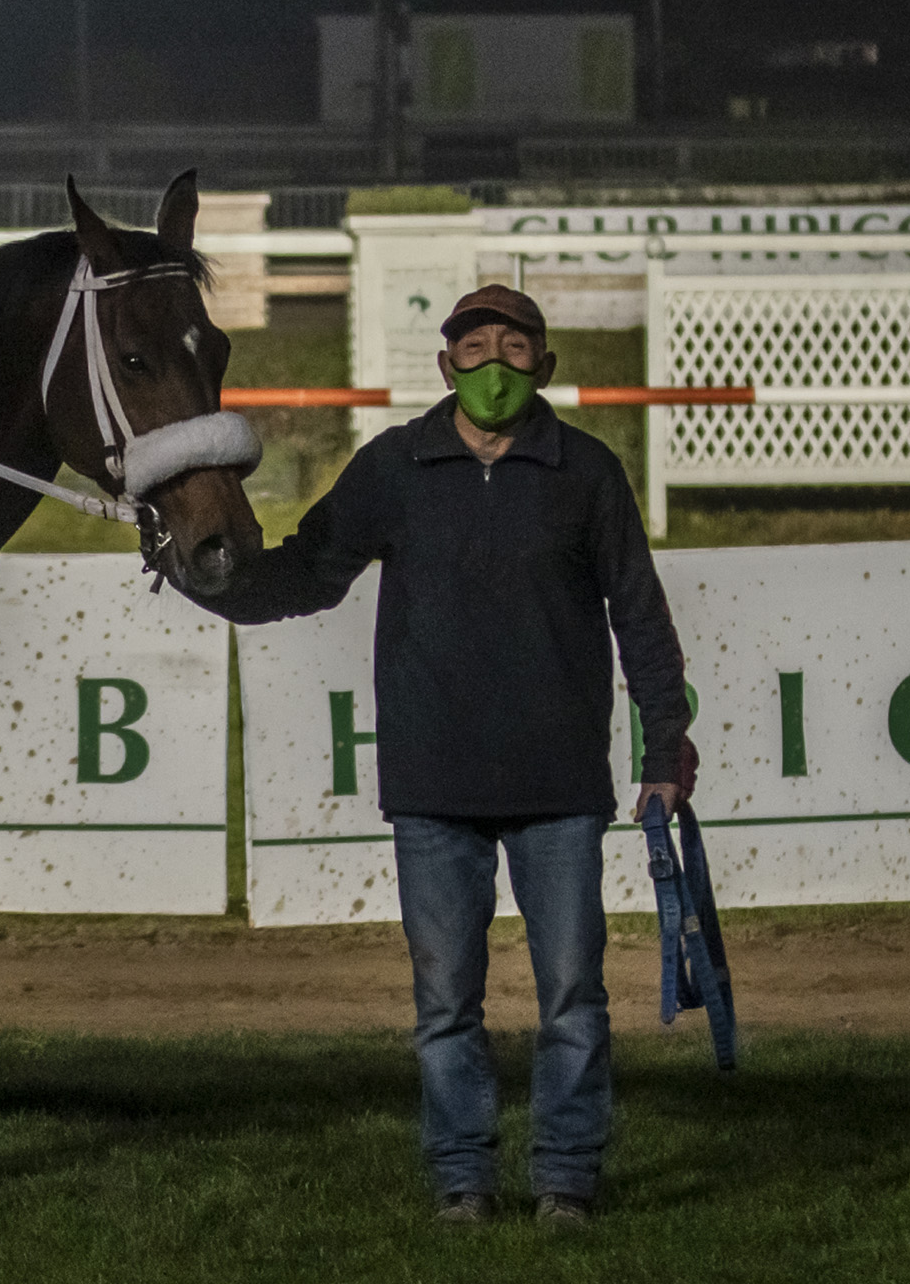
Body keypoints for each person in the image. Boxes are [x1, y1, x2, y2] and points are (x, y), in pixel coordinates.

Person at [213, 284, 695, 1228]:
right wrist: (217, 580)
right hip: (433, 786)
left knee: (573, 999)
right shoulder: (392, 466)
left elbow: (640, 611)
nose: (493, 367)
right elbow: (311, 569)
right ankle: (462, 1181)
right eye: (474, 349)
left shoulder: (588, 472)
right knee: (444, 1006)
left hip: (560, 786)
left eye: (514, 349)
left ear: (545, 366)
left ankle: (566, 1180)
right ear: (445, 366)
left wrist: (665, 745)